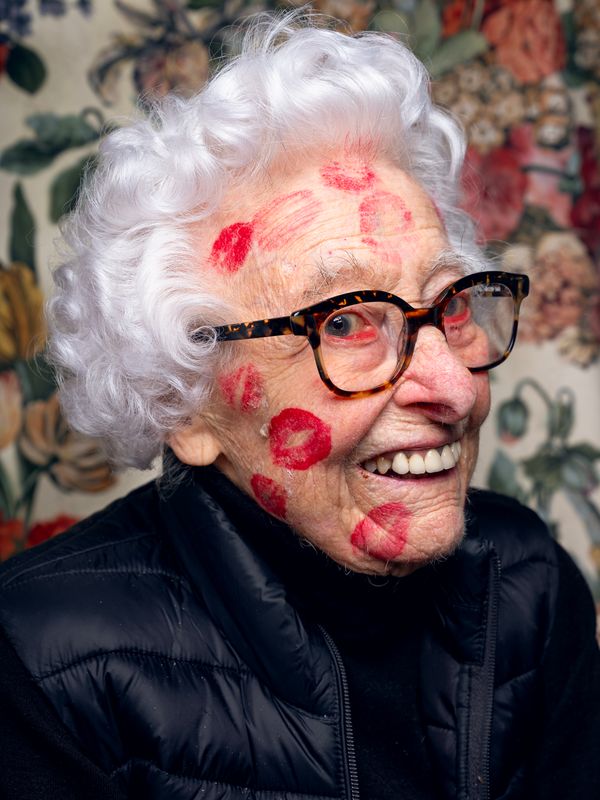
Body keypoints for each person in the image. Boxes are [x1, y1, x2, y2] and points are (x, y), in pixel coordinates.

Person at [0, 12, 598, 800]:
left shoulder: (529, 583)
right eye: (344, 322)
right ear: (186, 401)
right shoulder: (38, 661)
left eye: (449, 302)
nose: (456, 388)